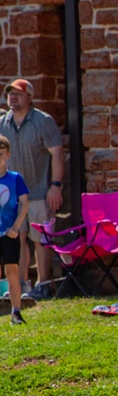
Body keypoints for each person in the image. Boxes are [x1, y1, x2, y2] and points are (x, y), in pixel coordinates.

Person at [0, 79, 64, 301]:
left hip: (39, 191)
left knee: (41, 239)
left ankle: (44, 284)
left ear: (30, 97)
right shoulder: (2, 124)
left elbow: (57, 153)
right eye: (10, 93)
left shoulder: (42, 121)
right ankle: (21, 284)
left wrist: (55, 186)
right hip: (10, 196)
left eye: (18, 93)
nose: (13, 96)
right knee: (16, 238)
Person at [0, 135, 30, 324]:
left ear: (8, 155)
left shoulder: (15, 178)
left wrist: (16, 226)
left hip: (9, 233)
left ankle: (16, 311)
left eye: (1, 154)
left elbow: (24, 204)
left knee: (12, 270)